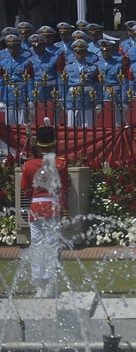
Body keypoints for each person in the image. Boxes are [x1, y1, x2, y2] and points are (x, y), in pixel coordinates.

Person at [22, 124, 70, 298]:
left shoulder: (28, 165)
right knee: (52, 245)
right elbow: (64, 188)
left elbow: (26, 190)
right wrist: (65, 210)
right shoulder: (61, 164)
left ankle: (39, 286)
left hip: (35, 208)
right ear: (54, 143)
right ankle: (50, 284)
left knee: (37, 245)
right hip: (52, 207)